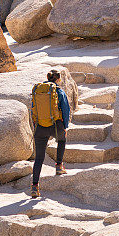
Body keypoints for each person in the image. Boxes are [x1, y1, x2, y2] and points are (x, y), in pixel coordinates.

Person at [30, 69, 70, 198]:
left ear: (47, 78)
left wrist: (36, 125)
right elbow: (65, 109)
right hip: (55, 124)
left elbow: (33, 109)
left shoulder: (39, 91)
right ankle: (59, 166)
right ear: (58, 79)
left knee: (39, 158)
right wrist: (65, 127)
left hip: (40, 126)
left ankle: (34, 187)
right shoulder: (59, 91)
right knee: (62, 140)